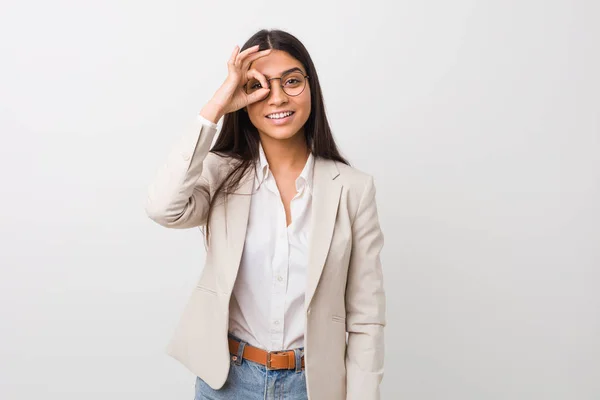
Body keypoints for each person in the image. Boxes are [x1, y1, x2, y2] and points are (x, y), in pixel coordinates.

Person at [145, 29, 386, 400]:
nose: (277, 97)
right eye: (258, 85)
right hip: (227, 383)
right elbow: (162, 208)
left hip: (313, 386)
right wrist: (220, 103)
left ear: (311, 88)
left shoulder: (353, 189)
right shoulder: (221, 173)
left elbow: (366, 319)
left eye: (291, 81)